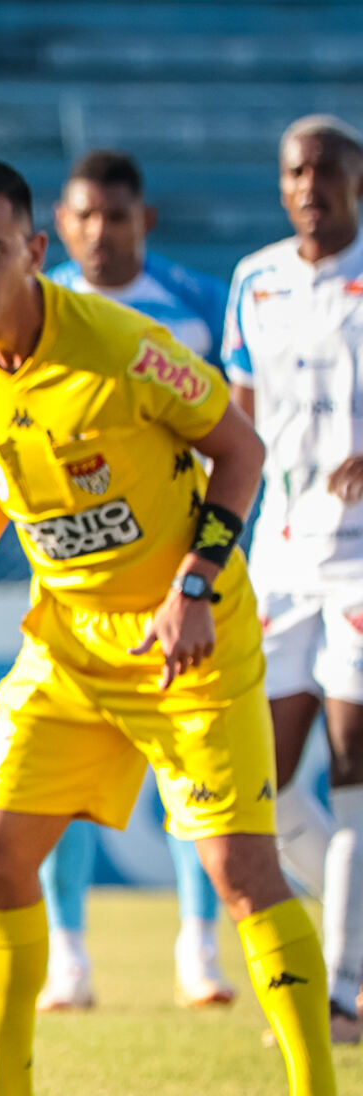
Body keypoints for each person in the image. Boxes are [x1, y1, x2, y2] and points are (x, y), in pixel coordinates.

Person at [0, 156, 352, 1096]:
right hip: (67, 642)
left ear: (33, 253)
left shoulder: (122, 348)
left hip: (188, 637)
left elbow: (241, 453)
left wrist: (191, 585)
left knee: (240, 868)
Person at [0, 149, 234, 1013]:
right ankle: (68, 955)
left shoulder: (185, 308)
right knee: (43, 802)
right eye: (87, 217)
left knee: (210, 814)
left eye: (116, 216)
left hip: (181, 582)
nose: (100, 232)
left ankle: (199, 946)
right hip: (73, 600)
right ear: (59, 232)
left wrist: (200, 574)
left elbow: (238, 430)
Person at [223, 114, 363, 1048]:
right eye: (295, 170)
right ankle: (341, 908)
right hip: (276, 551)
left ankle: (340, 993)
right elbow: (237, 409)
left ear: (357, 181)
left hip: (359, 554)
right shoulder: (257, 279)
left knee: (353, 765)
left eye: (327, 169)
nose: (309, 183)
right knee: (258, 783)